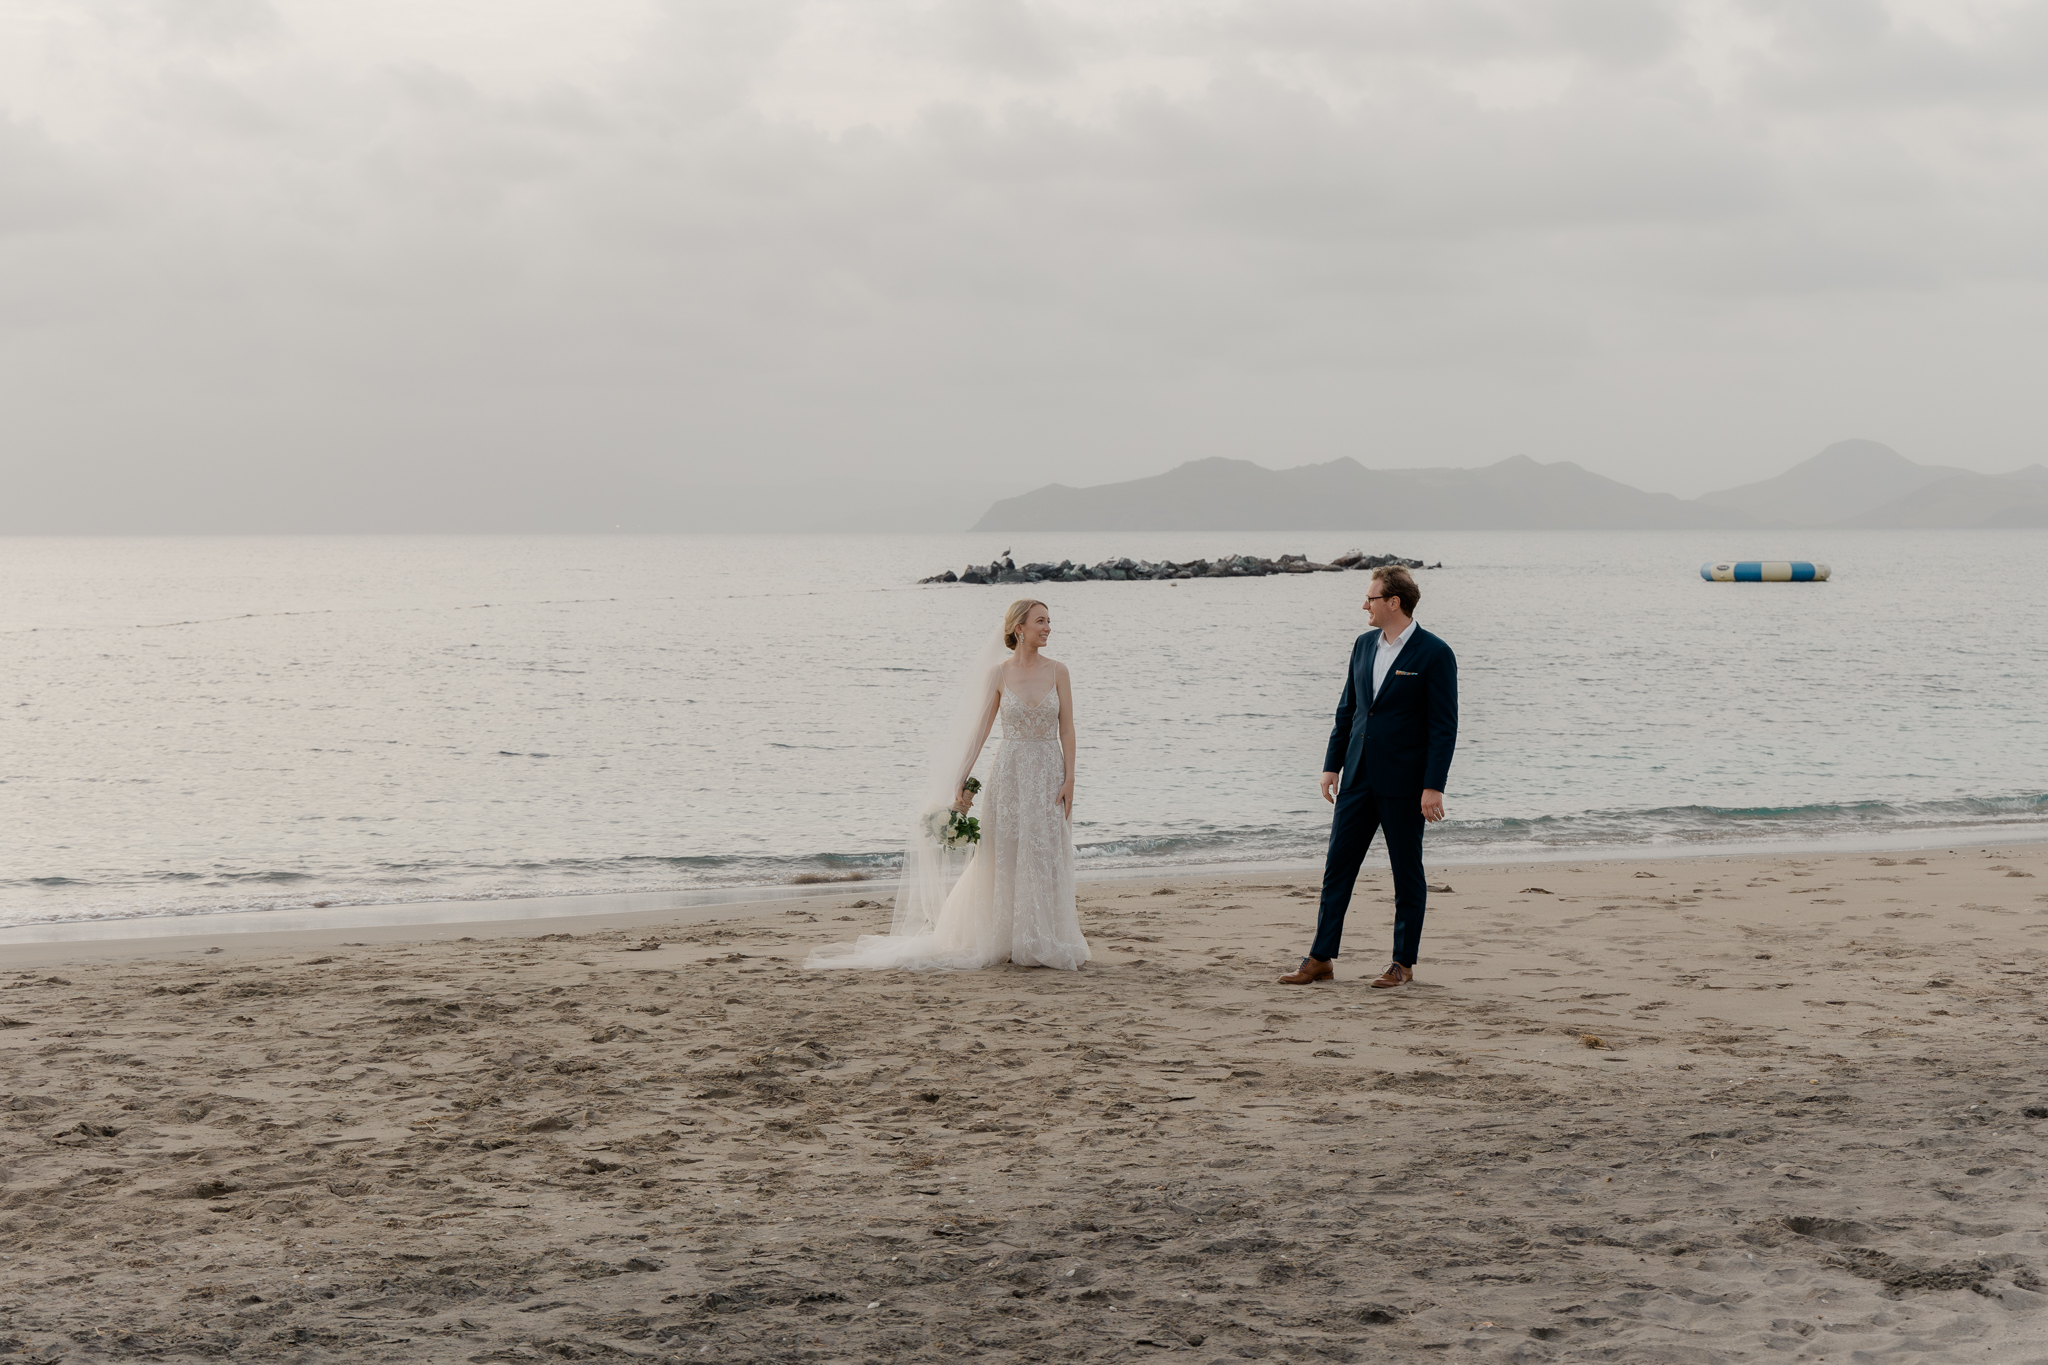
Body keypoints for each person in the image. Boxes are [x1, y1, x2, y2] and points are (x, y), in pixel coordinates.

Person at [806, 600, 1091, 972]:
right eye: (1041, 621)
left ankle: (1041, 936)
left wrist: (1070, 778)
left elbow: (1067, 728)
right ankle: (1002, 938)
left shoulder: (1059, 671)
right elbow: (980, 730)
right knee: (1002, 855)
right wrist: (961, 775)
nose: (1049, 627)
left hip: (1048, 773)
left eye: (1049, 621)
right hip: (1010, 774)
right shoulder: (1000, 674)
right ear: (1019, 628)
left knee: (1045, 854)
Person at [1279, 565, 1457, 989]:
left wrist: (1433, 786)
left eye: (1371, 598)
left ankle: (1402, 964)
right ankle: (1320, 958)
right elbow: (1348, 710)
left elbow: (1443, 726)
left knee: (1406, 873)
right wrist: (1331, 765)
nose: (1365, 605)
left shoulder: (1435, 653)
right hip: (1356, 778)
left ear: (1393, 602)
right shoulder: (1362, 646)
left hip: (1404, 784)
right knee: (1337, 869)